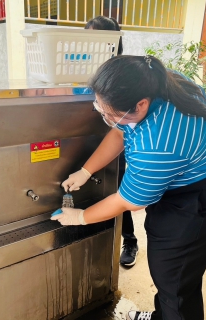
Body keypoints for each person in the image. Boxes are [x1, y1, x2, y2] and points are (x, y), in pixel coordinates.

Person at [52, 55, 206, 320]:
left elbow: (128, 201)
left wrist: (80, 217)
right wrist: (87, 170)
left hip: (204, 199)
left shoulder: (157, 144)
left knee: (174, 279)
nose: (102, 114)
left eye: (107, 111)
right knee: (180, 274)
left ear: (140, 104)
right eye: (98, 106)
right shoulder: (165, 82)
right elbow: (121, 131)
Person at [85, 16, 138, 267]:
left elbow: (134, 198)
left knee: (120, 189)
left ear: (113, 41)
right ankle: (99, 235)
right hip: (94, 139)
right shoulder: (80, 67)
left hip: (120, 139)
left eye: (97, 38)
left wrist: (80, 218)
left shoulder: (124, 74)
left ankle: (129, 240)